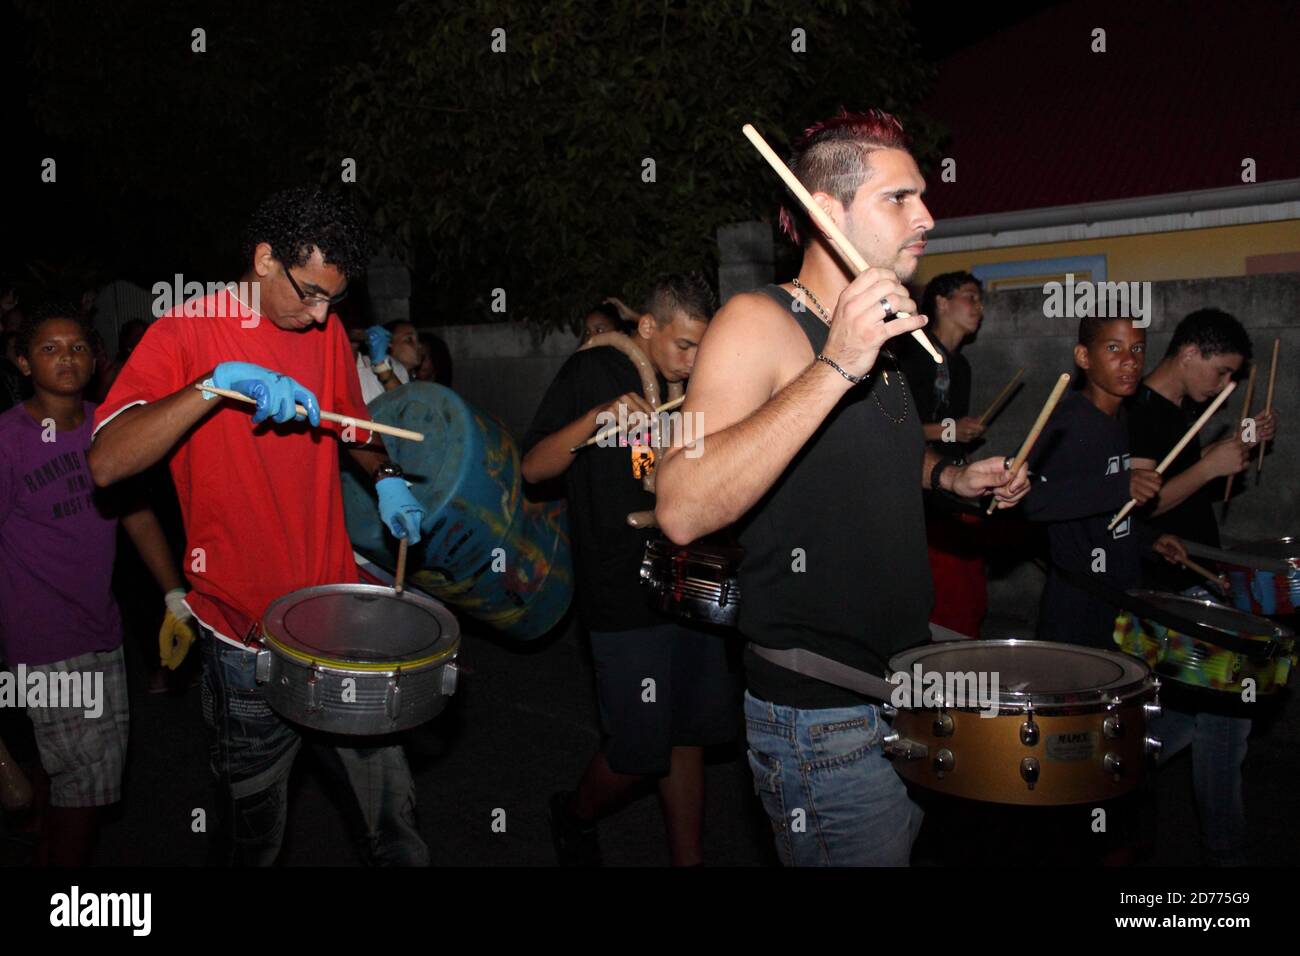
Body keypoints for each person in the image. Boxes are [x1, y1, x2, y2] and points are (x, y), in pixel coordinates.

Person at [654, 109, 1030, 866]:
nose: (927, 214)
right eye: (901, 198)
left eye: (923, 194)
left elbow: (873, 464)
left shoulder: (885, 338)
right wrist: (837, 364)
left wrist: (952, 478)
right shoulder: (757, 321)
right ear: (828, 212)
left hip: (901, 690)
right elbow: (682, 506)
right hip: (819, 715)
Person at [88, 186, 431, 866]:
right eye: (309, 292)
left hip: (336, 613)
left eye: (334, 298)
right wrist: (214, 385)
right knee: (256, 841)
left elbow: (349, 422)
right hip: (244, 632)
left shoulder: (325, 331)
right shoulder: (183, 331)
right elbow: (106, 462)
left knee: (397, 832)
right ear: (265, 259)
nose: (323, 314)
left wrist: (387, 476)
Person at [522, 273, 736, 867]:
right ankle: (574, 813)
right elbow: (534, 468)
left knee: (689, 731)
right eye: (684, 345)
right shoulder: (596, 371)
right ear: (648, 326)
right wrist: (598, 418)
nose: (694, 362)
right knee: (640, 748)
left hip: (686, 580)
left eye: (703, 347)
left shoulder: (691, 387)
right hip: (621, 591)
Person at [0, 304, 192, 864]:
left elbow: (136, 515)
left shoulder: (109, 427)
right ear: (23, 362)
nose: (67, 357)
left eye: (78, 347)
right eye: (50, 348)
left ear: (96, 358)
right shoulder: (8, 439)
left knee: (82, 791)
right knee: (82, 797)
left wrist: (174, 594)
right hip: (44, 643)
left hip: (102, 633)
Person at [1127, 308, 1279, 866]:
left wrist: (1232, 450)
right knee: (1226, 721)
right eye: (1221, 372)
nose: (1224, 386)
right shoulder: (1140, 412)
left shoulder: (1183, 411)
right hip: (1170, 588)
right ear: (1189, 353)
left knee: (1191, 721)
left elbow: (1191, 496)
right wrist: (1212, 465)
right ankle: (1226, 853)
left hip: (1196, 582)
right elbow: (1144, 505)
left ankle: (1106, 774)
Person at [1020, 317, 1189, 648]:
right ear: (1084, 358)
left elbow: (1101, 511)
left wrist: (1147, 540)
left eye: (1137, 348)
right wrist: (1120, 486)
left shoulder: (1119, 417)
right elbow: (1029, 500)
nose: (1130, 361)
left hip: (1118, 594)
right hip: (1078, 603)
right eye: (1114, 348)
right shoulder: (1066, 423)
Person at [896, 271, 989, 637]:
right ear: (941, 303)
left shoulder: (961, 365)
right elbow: (891, 428)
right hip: (916, 491)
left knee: (970, 592)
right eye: (970, 297)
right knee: (943, 593)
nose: (979, 307)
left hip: (950, 489)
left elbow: (951, 434)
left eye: (980, 300)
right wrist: (951, 429)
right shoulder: (911, 354)